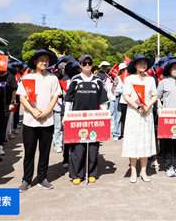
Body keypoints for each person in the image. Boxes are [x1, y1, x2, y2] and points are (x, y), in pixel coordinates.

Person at [16, 49, 60, 191]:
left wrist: (47, 111)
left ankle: (42, 178)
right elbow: (22, 97)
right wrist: (33, 111)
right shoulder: (27, 77)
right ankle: (26, 180)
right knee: (29, 152)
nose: (44, 62)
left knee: (45, 151)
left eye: (46, 60)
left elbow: (55, 96)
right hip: (30, 121)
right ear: (35, 62)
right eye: (41, 59)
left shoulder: (53, 78)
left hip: (47, 121)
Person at [64, 54, 109, 185]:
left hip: (94, 120)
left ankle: (92, 172)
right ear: (80, 65)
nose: (87, 65)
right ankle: (77, 174)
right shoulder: (75, 80)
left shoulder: (97, 81)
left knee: (93, 147)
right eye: (84, 63)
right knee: (78, 148)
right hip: (77, 120)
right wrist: (66, 116)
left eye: (89, 63)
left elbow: (103, 100)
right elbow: (68, 100)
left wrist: (105, 115)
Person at [121, 55, 158, 183]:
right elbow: (126, 95)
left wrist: (148, 106)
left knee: (145, 141)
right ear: (135, 65)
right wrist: (137, 106)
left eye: (145, 63)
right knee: (133, 140)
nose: (143, 65)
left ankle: (143, 170)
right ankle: (133, 170)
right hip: (134, 113)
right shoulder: (129, 79)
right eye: (140, 63)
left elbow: (154, 95)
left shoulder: (151, 80)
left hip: (147, 114)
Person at [0, 64, 17, 157]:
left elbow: (14, 89)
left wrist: (12, 102)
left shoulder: (10, 77)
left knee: (2, 126)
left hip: (6, 105)